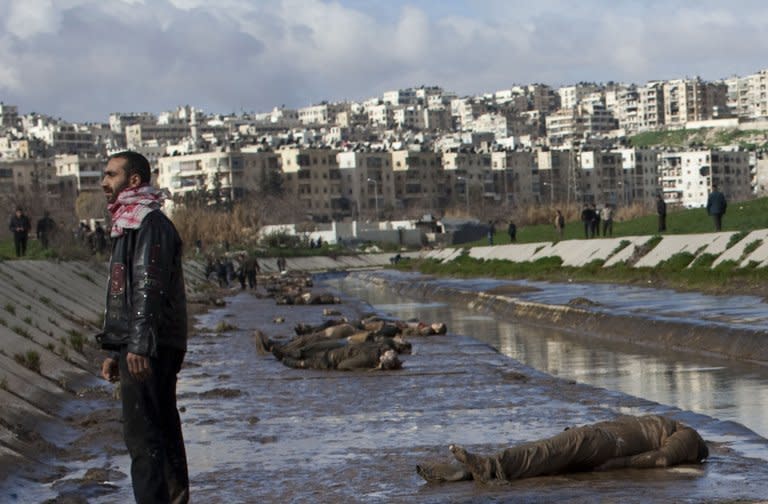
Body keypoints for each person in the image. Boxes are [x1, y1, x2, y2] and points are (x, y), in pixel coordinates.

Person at [97, 151, 189, 504]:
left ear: (134, 181)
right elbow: (122, 292)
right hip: (143, 343)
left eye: (111, 175)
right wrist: (114, 348)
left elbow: (148, 288)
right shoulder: (129, 224)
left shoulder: (148, 223)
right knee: (158, 431)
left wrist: (137, 346)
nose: (104, 183)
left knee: (145, 438)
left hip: (149, 345)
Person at [416, 414, 708, 484]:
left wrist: (617, 465)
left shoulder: (688, 435)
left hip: (604, 442)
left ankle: (487, 467)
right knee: (543, 459)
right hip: (603, 441)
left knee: (545, 452)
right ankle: (460, 472)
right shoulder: (677, 431)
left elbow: (661, 459)